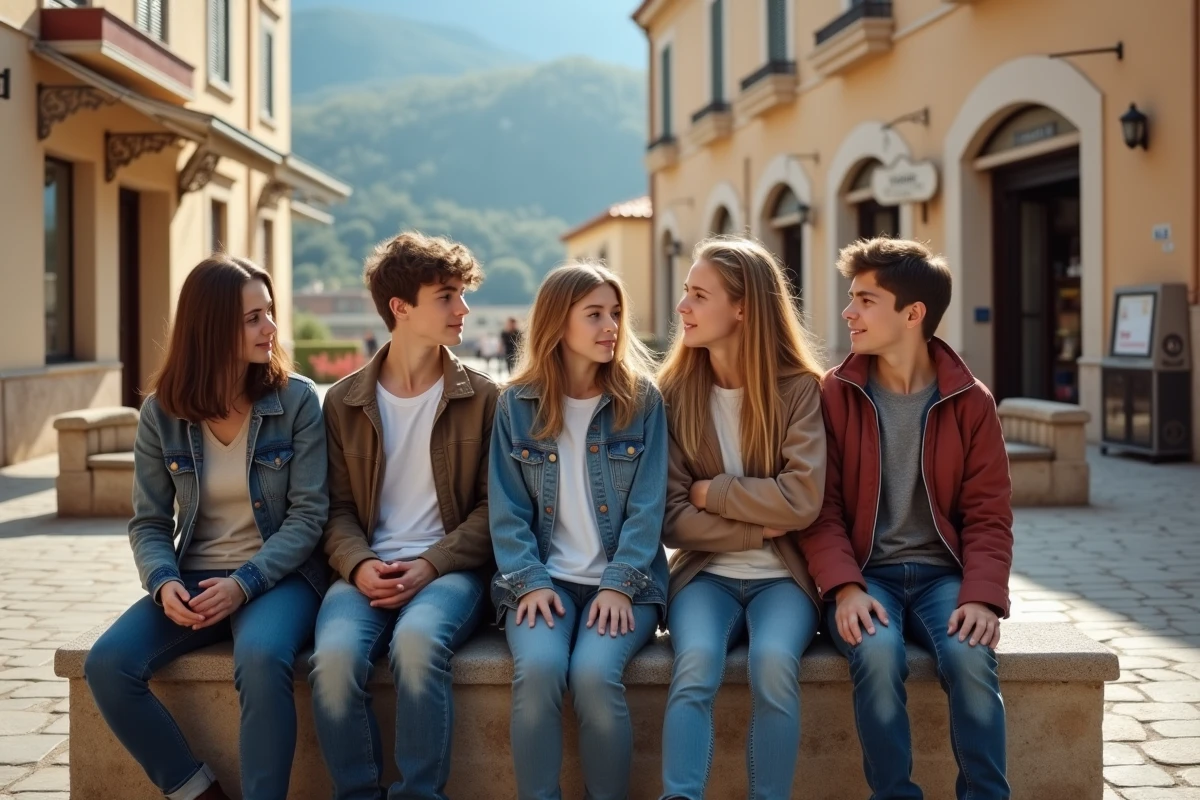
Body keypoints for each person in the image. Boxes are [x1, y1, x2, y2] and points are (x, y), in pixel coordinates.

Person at [84, 254, 329, 800]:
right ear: (211, 326)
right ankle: (196, 792)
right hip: (193, 575)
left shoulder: (296, 401)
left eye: (269, 313)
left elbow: (309, 516)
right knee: (108, 665)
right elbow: (148, 520)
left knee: (263, 657)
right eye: (252, 318)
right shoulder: (161, 414)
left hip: (279, 576)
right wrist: (163, 582)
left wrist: (244, 583)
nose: (270, 328)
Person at [801, 237, 1012, 800]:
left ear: (912, 314)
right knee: (875, 652)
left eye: (865, 300)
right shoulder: (836, 393)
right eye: (852, 298)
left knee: (970, 659)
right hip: (868, 576)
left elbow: (990, 515)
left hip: (945, 578)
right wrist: (843, 589)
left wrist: (982, 597)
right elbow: (820, 510)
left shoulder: (971, 401)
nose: (848, 312)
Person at [309, 232, 498, 800]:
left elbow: (497, 510)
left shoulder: (485, 397)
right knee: (335, 661)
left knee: (417, 647)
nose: (462, 309)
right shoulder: (342, 402)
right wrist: (359, 564)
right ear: (401, 308)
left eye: (462, 295)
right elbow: (334, 510)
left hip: (452, 573)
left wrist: (432, 564)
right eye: (446, 296)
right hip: (364, 570)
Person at [489, 261, 669, 800]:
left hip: (626, 586)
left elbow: (648, 507)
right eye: (594, 314)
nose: (610, 325)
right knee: (539, 672)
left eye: (615, 313)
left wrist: (618, 582)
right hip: (542, 582)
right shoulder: (514, 406)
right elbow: (507, 509)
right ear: (556, 324)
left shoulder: (642, 401)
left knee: (594, 677)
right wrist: (530, 580)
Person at [657, 237, 827, 800]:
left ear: (743, 308)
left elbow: (801, 501)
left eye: (699, 295)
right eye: (686, 292)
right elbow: (673, 518)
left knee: (774, 667)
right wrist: (756, 522)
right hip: (703, 576)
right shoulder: (674, 394)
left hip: (785, 579)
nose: (683, 306)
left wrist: (716, 491)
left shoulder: (800, 391)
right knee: (695, 668)